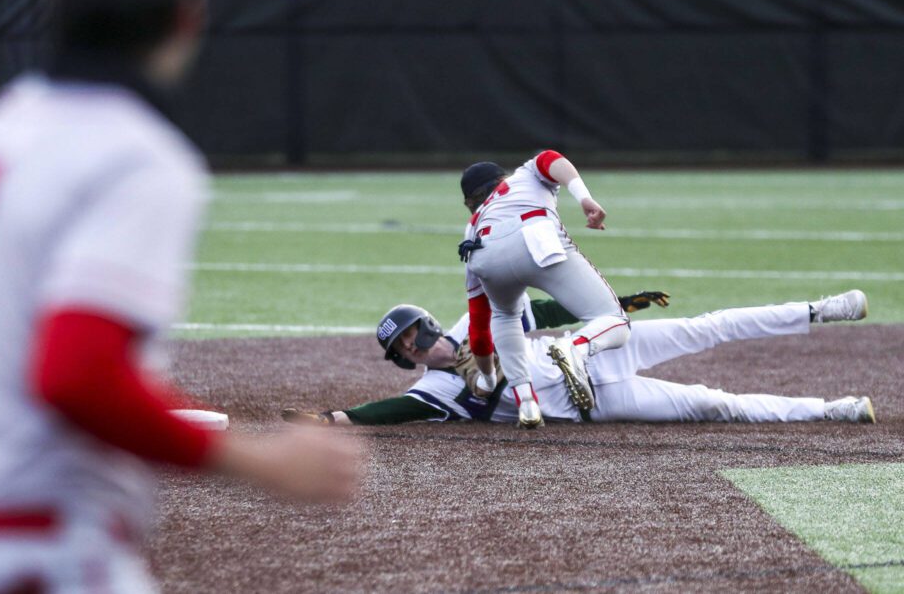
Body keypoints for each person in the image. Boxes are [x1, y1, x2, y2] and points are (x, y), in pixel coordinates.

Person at [0, 0, 360, 593]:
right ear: (188, 17)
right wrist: (260, 461)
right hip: (46, 558)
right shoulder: (137, 155)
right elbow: (75, 369)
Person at [282, 290, 874, 427]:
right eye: (401, 347)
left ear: (426, 324)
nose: (411, 344)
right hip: (596, 399)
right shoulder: (433, 393)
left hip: (597, 349)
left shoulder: (473, 322)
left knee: (707, 326)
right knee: (713, 404)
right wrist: (342, 419)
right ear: (404, 360)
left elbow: (544, 311)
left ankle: (818, 310)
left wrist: (615, 301)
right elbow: (395, 411)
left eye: (410, 333)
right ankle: (833, 410)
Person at [457, 154, 630, 428]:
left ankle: (527, 404)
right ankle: (574, 348)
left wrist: (487, 379)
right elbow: (551, 158)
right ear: (501, 179)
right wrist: (584, 198)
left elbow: (479, 325)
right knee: (616, 322)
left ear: (471, 200)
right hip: (535, 236)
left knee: (504, 316)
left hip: (487, 252)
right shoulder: (523, 176)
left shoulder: (472, 227)